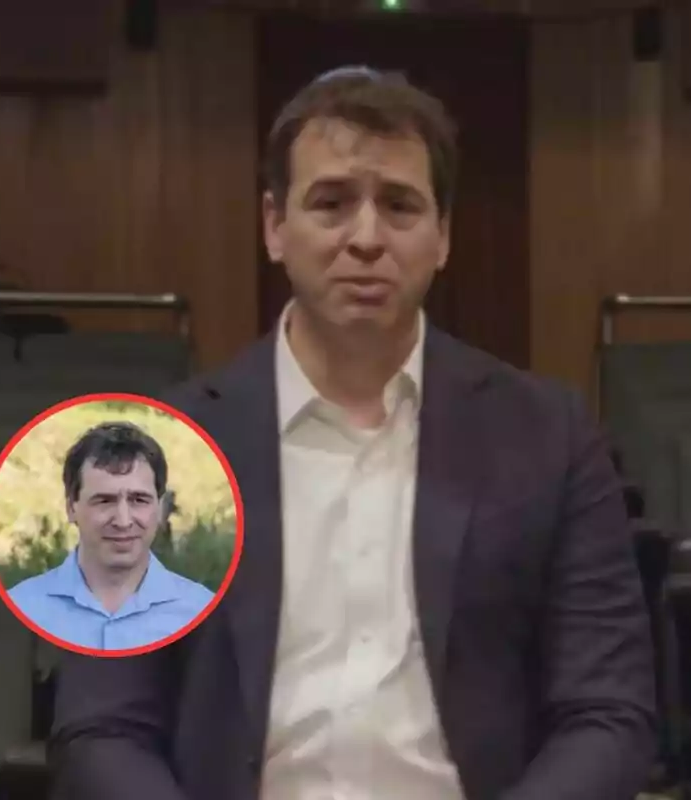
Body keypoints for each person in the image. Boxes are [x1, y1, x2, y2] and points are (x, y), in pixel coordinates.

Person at [50, 66, 656, 799]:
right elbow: (101, 728)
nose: (366, 238)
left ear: (443, 236)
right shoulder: (163, 449)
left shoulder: (548, 436)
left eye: (400, 207)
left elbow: (608, 715)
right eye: (331, 203)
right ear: (275, 226)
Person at [8, 421, 213, 652]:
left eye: (139, 500)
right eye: (104, 501)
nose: (123, 521)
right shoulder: (20, 609)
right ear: (71, 508)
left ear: (160, 509)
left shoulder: (204, 614)